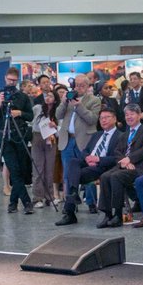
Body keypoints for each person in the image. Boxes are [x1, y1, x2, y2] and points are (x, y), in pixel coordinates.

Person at [56, 108, 125, 226]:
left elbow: (118, 158)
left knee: (72, 176)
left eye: (107, 117)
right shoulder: (97, 135)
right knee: (73, 162)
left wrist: (98, 160)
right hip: (89, 164)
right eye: (101, 118)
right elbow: (85, 151)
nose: (103, 120)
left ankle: (70, 211)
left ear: (114, 119)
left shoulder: (121, 136)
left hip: (104, 166)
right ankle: (73, 194)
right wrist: (88, 158)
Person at [96, 105, 143, 227]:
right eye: (127, 115)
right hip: (125, 166)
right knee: (104, 176)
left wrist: (130, 159)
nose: (129, 117)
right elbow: (117, 152)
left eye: (132, 114)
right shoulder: (124, 134)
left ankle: (118, 214)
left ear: (139, 115)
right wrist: (126, 162)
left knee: (116, 176)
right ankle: (108, 214)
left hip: (141, 167)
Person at [56, 73, 101, 219]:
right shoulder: (68, 99)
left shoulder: (94, 100)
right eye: (76, 85)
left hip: (85, 140)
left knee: (87, 173)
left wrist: (79, 105)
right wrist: (63, 102)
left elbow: (92, 119)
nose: (78, 88)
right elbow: (58, 115)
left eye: (82, 85)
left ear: (88, 86)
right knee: (68, 174)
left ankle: (91, 202)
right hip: (67, 140)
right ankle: (70, 205)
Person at [0, 67, 35, 214]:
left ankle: (13, 202)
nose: (11, 83)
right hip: (4, 135)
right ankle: (27, 202)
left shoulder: (22, 96)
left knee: (21, 170)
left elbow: (30, 116)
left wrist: (20, 113)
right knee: (14, 169)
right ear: (5, 78)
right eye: (9, 80)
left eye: (14, 81)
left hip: (20, 135)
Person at [30, 88, 60, 208]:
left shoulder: (58, 112)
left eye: (51, 96)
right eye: (46, 96)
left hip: (51, 138)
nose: (48, 98)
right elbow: (31, 122)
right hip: (37, 137)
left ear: (55, 99)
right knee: (38, 167)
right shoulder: (37, 108)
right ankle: (37, 197)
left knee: (49, 168)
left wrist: (55, 126)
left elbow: (60, 130)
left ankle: (50, 197)